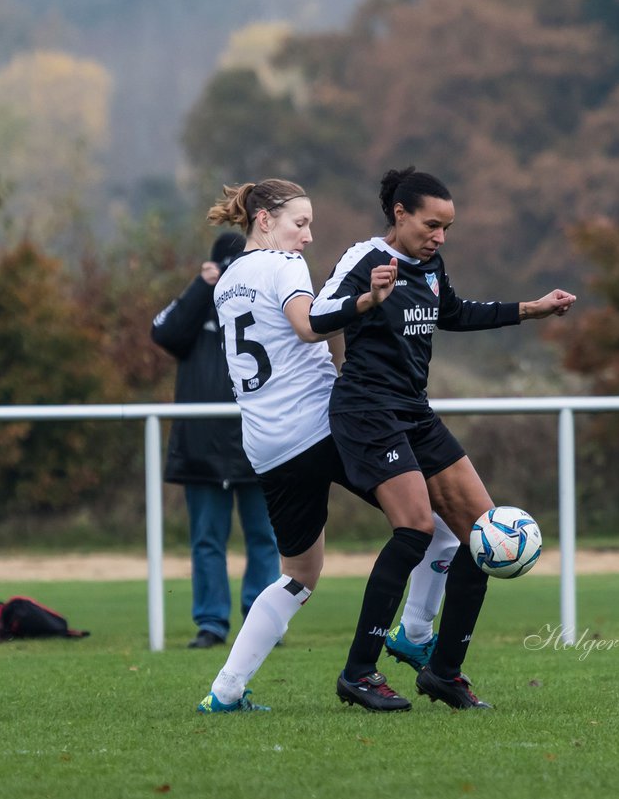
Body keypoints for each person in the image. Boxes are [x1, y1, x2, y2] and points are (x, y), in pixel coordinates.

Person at [310, 166, 576, 710]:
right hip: (366, 410)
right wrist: (367, 301)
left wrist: (530, 309)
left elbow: (452, 313)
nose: (439, 237)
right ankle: (359, 672)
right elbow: (316, 316)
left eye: (447, 228)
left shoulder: (431, 265)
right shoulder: (364, 259)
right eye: (431, 225)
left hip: (414, 410)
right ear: (399, 214)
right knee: (414, 529)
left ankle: (443, 673)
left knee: (483, 536)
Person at [195, 178, 458, 713]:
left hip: (267, 445)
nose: (308, 237)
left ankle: (224, 692)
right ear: (264, 220)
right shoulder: (284, 265)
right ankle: (411, 634)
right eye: (300, 223)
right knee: (434, 527)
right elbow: (308, 325)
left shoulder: (227, 280)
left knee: (298, 577)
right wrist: (366, 300)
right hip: (319, 427)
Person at [151, 233, 281, 650]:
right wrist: (199, 286)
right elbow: (165, 334)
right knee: (207, 541)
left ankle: (262, 622)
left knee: (266, 538)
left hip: (258, 439)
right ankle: (211, 624)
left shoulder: (262, 299)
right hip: (201, 445)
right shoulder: (199, 301)